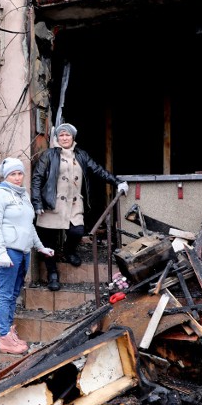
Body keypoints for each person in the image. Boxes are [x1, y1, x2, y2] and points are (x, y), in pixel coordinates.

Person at [31, 123, 129, 292]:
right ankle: (52, 273)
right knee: (49, 242)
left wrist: (117, 182)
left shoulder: (81, 155)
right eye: (61, 135)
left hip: (74, 203)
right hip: (51, 204)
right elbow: (37, 178)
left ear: (73, 137)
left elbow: (97, 170)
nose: (64, 138)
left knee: (77, 231)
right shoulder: (49, 155)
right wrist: (37, 202)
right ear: (57, 138)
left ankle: (69, 251)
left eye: (67, 135)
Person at [0, 157, 55, 354]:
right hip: (8, 252)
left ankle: (8, 330)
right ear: (5, 176)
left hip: (24, 252)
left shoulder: (23, 194)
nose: (17, 178)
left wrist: (40, 247)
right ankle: (4, 338)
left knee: (14, 293)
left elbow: (28, 226)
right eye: (13, 174)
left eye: (19, 173)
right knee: (6, 294)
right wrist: (1, 252)